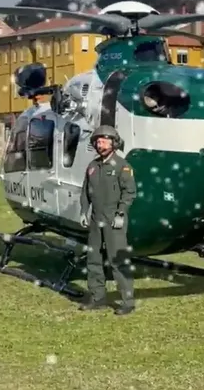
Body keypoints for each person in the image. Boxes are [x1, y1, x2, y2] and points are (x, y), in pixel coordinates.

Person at [78, 125, 137, 316]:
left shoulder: (123, 166)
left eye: (103, 140)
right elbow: (85, 192)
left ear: (113, 143)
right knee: (93, 259)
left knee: (117, 260)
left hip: (114, 220)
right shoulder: (93, 167)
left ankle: (127, 301)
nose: (99, 144)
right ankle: (98, 297)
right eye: (97, 141)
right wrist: (83, 211)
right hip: (96, 220)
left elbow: (130, 192)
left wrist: (121, 214)